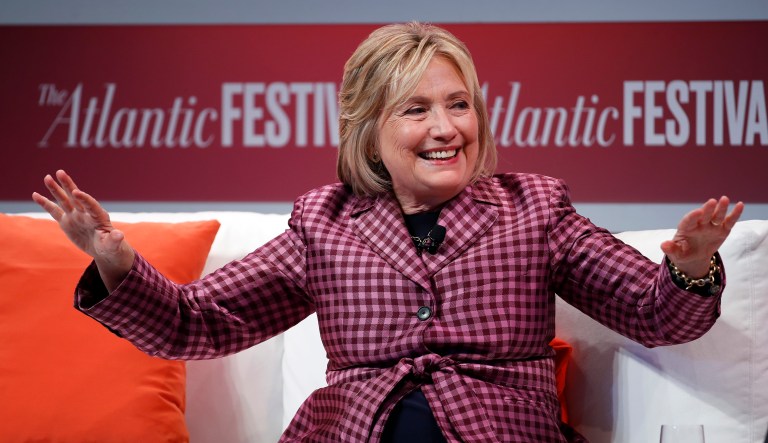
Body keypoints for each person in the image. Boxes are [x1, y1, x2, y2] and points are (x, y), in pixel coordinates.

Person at [33, 22, 744, 443]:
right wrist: (116, 261)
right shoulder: (324, 223)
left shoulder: (534, 208)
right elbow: (198, 323)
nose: (446, 128)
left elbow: (653, 314)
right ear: (369, 130)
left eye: (459, 104)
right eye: (416, 110)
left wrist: (690, 267)